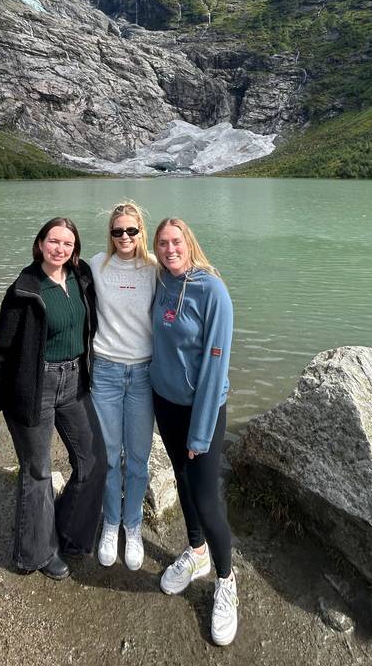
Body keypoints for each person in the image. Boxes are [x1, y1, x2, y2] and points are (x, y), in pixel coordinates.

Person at [0, 217, 107, 580]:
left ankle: (67, 529)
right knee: (38, 472)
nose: (60, 249)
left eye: (67, 244)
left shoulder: (81, 279)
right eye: (54, 241)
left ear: (74, 250)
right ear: (40, 244)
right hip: (33, 387)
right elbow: (1, 352)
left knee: (95, 460)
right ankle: (35, 553)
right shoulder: (24, 289)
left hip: (75, 382)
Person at [150, 217, 238, 646]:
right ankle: (196, 552)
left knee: (206, 497)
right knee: (183, 482)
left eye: (176, 242)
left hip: (202, 409)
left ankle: (226, 578)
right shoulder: (159, 281)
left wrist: (201, 434)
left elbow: (215, 367)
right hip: (165, 404)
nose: (170, 250)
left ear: (190, 244)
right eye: (162, 243)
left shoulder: (212, 291)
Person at [89, 201, 157, 570]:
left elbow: (186, 281)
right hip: (107, 372)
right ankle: (110, 523)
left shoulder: (154, 269)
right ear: (110, 235)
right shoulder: (98, 265)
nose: (125, 237)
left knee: (138, 459)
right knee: (109, 455)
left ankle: (133, 526)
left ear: (141, 232)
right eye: (118, 231)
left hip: (144, 374)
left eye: (131, 231)